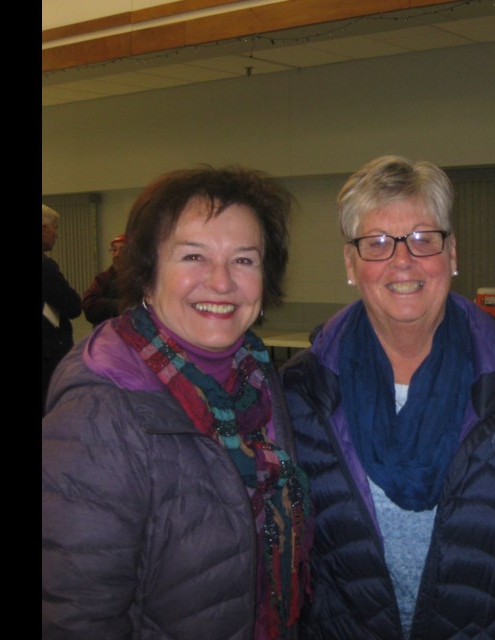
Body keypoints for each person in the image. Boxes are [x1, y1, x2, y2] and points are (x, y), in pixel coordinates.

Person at [283, 155, 495, 639]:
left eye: (423, 239)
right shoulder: (301, 391)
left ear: (451, 255)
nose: (403, 260)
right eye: (377, 243)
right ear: (351, 263)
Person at [42, 167, 312, 639]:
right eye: (193, 256)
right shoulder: (100, 408)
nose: (222, 282)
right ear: (148, 274)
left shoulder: (253, 372)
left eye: (244, 260)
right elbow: (78, 615)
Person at [42, 204, 81, 417]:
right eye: (54, 228)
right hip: (48, 356)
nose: (56, 235)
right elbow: (73, 306)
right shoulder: (45, 267)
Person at [81, 232, 127, 325]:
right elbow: (89, 306)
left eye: (122, 250)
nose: (117, 254)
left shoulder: (142, 279)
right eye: (114, 250)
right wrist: (123, 305)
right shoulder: (102, 279)